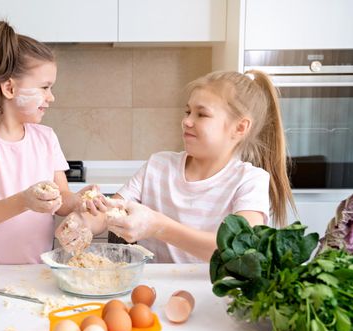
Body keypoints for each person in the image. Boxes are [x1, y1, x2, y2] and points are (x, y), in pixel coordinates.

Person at [56, 70, 295, 263]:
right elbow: (110, 214)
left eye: (202, 115)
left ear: (240, 128)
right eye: (188, 111)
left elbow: (240, 251)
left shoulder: (250, 181)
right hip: (156, 289)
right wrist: (85, 223)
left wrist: (158, 227)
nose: (187, 121)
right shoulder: (158, 166)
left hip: (214, 293)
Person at [0, 21, 96, 264]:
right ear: (9, 88)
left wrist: (78, 201)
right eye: (44, 87)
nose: (51, 97)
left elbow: (60, 199)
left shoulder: (46, 137)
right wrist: (24, 201)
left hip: (36, 268)